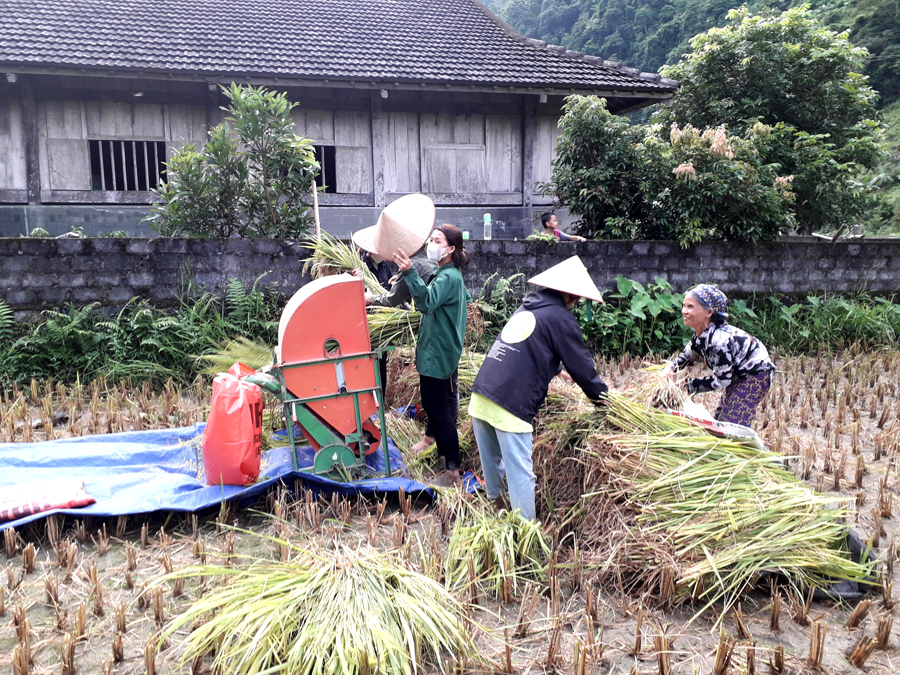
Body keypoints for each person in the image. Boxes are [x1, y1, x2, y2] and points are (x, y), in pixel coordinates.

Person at [469, 256, 609, 520]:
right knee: (521, 473)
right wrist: (605, 403)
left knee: (492, 467)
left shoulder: (527, 308)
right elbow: (584, 369)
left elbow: (526, 344)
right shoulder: (560, 317)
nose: (576, 302)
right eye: (577, 297)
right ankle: (526, 533)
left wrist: (557, 370)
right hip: (511, 403)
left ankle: (498, 516)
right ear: (568, 294)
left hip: (482, 395)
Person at [392, 225, 471, 482]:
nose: (431, 243)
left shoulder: (448, 277)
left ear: (450, 249)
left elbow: (426, 303)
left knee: (440, 411)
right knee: (438, 405)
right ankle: (436, 449)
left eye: (437, 240)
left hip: (437, 355)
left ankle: (452, 470)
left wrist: (408, 271)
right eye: (431, 239)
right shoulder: (447, 274)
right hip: (442, 351)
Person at [662, 285, 775, 427]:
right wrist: (670, 367)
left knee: (732, 428)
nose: (684, 311)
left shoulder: (718, 341)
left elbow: (722, 380)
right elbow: (688, 355)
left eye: (690, 307)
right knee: (721, 423)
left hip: (755, 376)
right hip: (738, 374)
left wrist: (688, 385)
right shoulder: (701, 335)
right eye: (684, 306)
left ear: (708, 312)